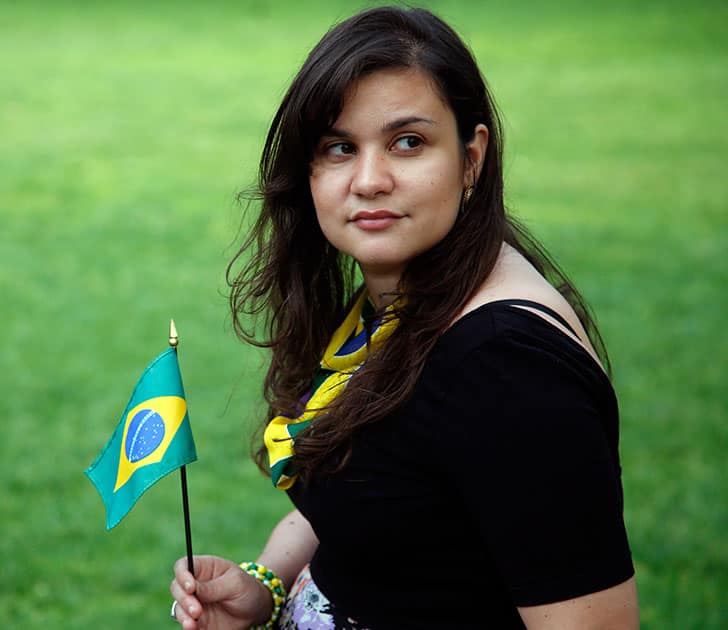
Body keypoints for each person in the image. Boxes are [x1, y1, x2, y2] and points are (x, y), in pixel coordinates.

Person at [170, 6, 637, 629]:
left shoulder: (503, 366)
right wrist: (266, 584)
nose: (368, 180)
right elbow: (377, 490)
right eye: (339, 147)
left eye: (408, 142)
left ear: (471, 158)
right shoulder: (406, 296)